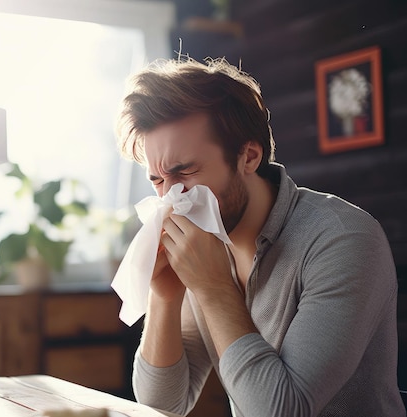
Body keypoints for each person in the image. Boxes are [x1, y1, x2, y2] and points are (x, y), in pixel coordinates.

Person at [114, 56, 404, 417]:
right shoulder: (205, 241)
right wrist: (164, 296)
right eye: (157, 181)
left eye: (184, 171)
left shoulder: (344, 241)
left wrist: (215, 289)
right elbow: (163, 403)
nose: (170, 200)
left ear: (248, 157)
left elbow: (281, 411)